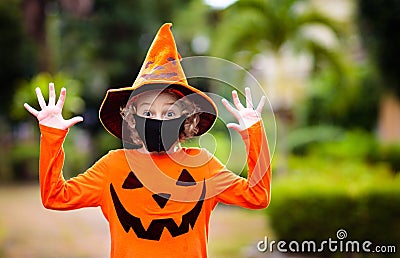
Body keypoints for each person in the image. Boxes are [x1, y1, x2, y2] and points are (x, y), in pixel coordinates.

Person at [24, 23, 271, 258]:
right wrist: (52, 135)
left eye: (170, 113)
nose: (158, 120)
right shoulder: (112, 167)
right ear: (131, 119)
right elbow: (55, 196)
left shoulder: (203, 166)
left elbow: (257, 196)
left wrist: (254, 134)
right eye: (148, 113)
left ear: (188, 120)